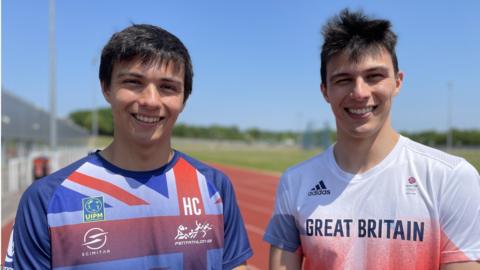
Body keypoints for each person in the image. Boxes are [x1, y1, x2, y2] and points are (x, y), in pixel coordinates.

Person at [4, 24, 252, 269]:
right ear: (106, 88)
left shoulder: (214, 188)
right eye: (134, 82)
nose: (150, 101)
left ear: (184, 98)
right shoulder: (46, 200)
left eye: (167, 87)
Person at [264, 9, 480, 270]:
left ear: (398, 82)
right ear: (325, 91)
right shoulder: (295, 182)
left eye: (374, 76)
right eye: (343, 80)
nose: (359, 92)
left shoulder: (451, 178)